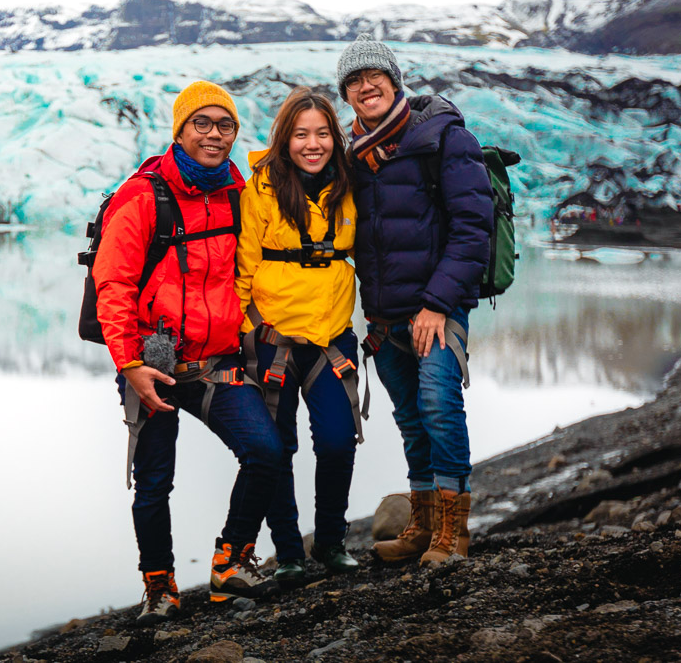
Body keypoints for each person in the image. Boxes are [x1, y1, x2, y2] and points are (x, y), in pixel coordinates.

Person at [93, 80, 281, 625]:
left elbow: (251, 273)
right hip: (154, 363)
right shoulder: (143, 195)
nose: (215, 135)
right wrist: (131, 364)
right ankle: (159, 585)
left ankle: (231, 560)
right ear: (180, 129)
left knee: (265, 453)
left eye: (225, 125)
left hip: (218, 362)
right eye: (202, 123)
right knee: (154, 482)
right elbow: (115, 286)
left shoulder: (237, 192)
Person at [336, 34, 493, 567]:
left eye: (373, 75)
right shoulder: (349, 154)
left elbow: (474, 230)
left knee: (440, 410)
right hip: (383, 319)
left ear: (394, 79)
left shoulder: (444, 137)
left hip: (435, 311)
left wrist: (436, 304)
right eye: (353, 81)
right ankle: (423, 526)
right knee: (410, 418)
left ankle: (454, 533)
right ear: (346, 94)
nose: (365, 86)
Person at [236, 87, 361, 586]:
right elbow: (244, 267)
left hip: (333, 337)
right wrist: (247, 334)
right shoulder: (260, 190)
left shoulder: (352, 186)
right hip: (274, 341)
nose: (313, 144)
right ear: (285, 139)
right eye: (301, 134)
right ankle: (288, 551)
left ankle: (330, 542)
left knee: (336, 442)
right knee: (277, 448)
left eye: (323, 133)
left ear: (335, 136)